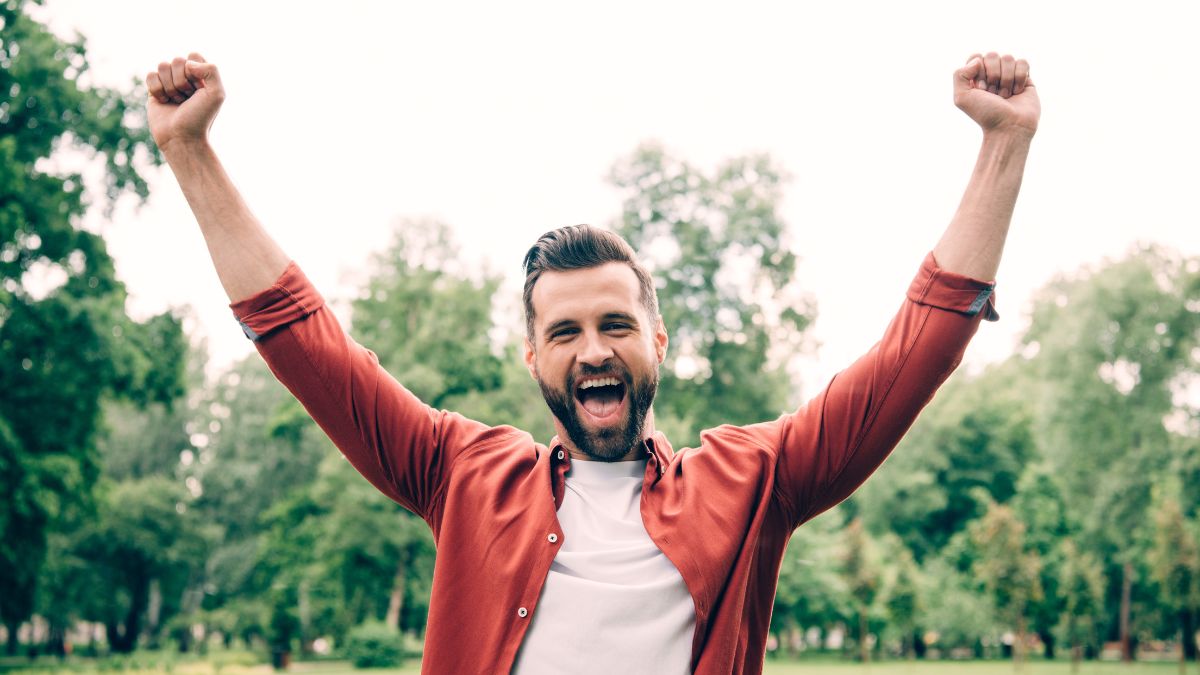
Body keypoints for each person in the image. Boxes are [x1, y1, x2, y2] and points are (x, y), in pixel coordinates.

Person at [147, 51, 1038, 674]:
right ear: (533, 355)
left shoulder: (754, 481)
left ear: (659, 339)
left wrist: (1003, 146)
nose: (593, 349)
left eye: (615, 322)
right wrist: (190, 152)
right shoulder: (461, 475)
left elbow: (912, 355)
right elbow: (308, 344)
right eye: (565, 332)